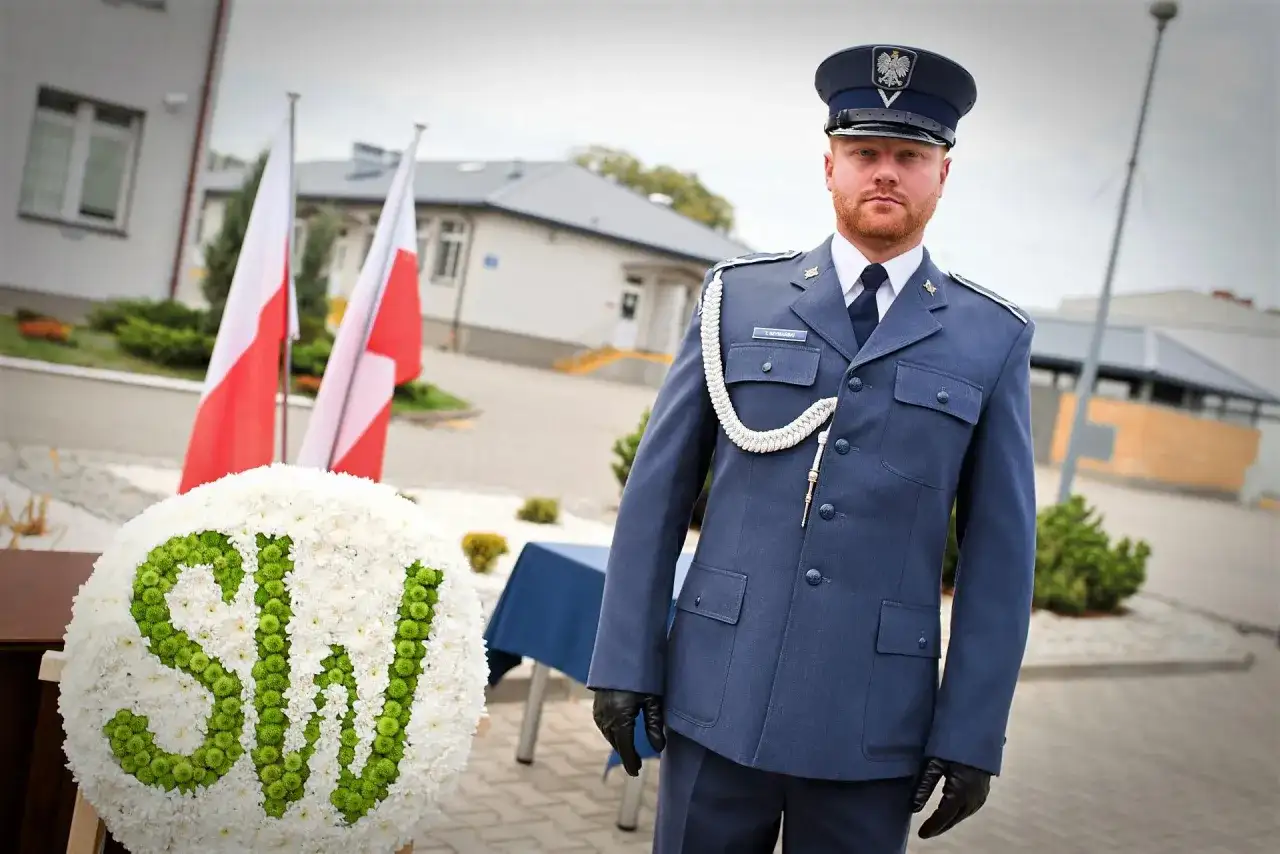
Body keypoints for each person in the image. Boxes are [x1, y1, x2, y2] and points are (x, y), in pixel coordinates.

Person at [586, 43, 1037, 853]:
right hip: (718, 693)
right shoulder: (737, 299)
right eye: (865, 153)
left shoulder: (991, 337)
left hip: (872, 725)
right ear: (830, 165)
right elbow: (655, 497)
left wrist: (972, 732)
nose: (885, 172)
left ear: (943, 174)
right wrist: (624, 660)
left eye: (909, 156)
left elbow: (1001, 558)